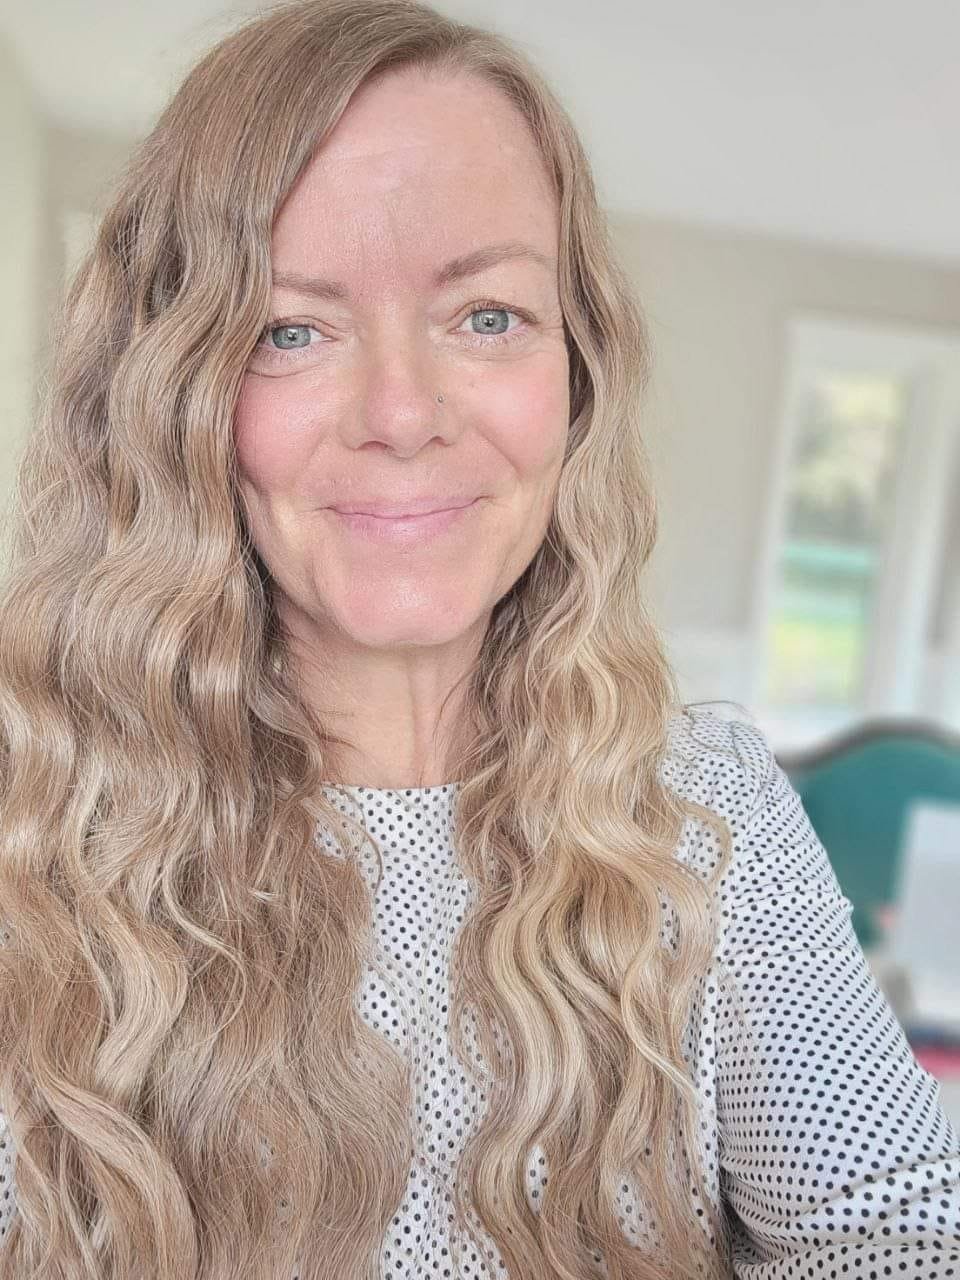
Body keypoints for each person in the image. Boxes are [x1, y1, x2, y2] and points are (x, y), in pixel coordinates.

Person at [0, 1, 957, 1277]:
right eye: (291, 327)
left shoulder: (709, 808)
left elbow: (893, 1228)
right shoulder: (35, 830)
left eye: (488, 315)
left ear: (578, 374)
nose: (403, 413)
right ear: (174, 397)